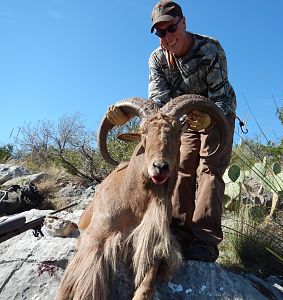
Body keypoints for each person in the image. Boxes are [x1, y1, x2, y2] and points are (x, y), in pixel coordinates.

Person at [106, 0, 236, 262]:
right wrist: (125, 114)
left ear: (184, 23)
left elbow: (220, 96)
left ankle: (205, 243)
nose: (167, 36)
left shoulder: (210, 49)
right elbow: (158, 107)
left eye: (171, 28)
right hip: (181, 121)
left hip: (217, 115)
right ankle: (178, 233)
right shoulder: (156, 60)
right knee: (182, 168)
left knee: (209, 168)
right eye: (160, 32)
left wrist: (211, 120)